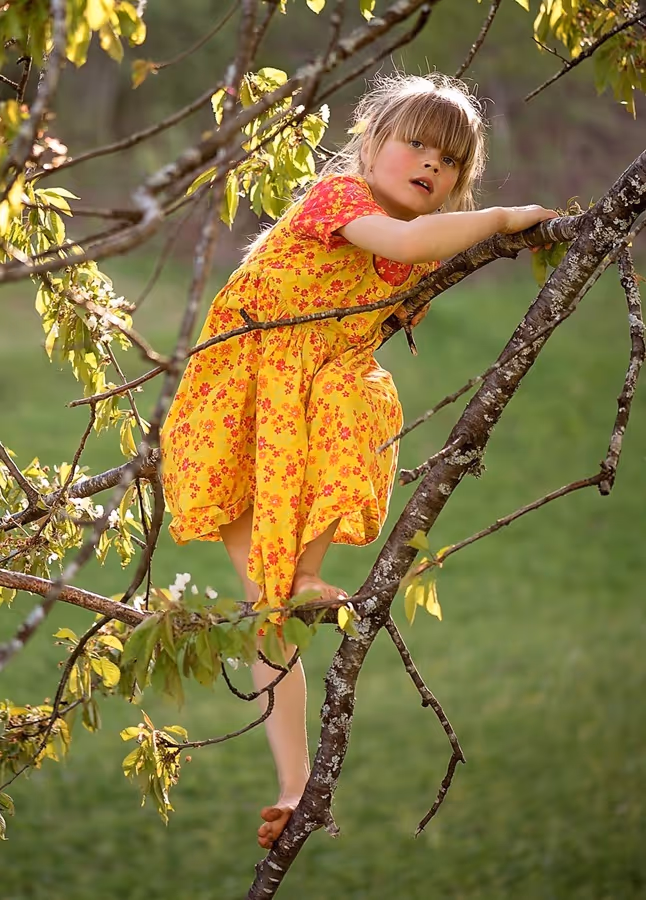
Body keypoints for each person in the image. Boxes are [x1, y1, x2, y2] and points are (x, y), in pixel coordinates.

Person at [159, 72, 557, 850]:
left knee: (277, 599)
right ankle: (295, 596)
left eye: (449, 161)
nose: (429, 166)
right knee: (269, 595)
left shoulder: (411, 261)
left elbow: (412, 259)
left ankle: (295, 784)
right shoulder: (340, 201)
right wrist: (503, 218)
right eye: (414, 144)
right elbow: (406, 240)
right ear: (370, 145)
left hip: (301, 410)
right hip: (239, 401)